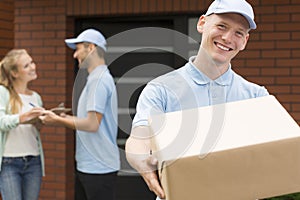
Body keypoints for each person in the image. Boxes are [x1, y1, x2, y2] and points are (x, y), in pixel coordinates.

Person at [125, 0, 269, 199]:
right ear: (202, 24)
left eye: (238, 33)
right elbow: (139, 137)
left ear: (245, 41)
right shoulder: (161, 90)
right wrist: (141, 159)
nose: (227, 38)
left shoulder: (256, 96)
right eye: (222, 26)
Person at [39, 28, 120, 200]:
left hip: (98, 168)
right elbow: (89, 120)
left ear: (90, 48)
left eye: (77, 49)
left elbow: (92, 124)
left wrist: (57, 121)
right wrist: (65, 118)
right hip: (92, 166)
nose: (75, 55)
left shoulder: (99, 80)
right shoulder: (96, 78)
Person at [0, 49, 46, 200]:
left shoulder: (36, 97)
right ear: (15, 73)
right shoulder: (3, 93)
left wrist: (42, 121)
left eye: (32, 62)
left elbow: (35, 130)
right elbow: (1, 122)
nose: (33, 67)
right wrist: (23, 117)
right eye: (26, 66)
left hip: (34, 161)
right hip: (9, 163)